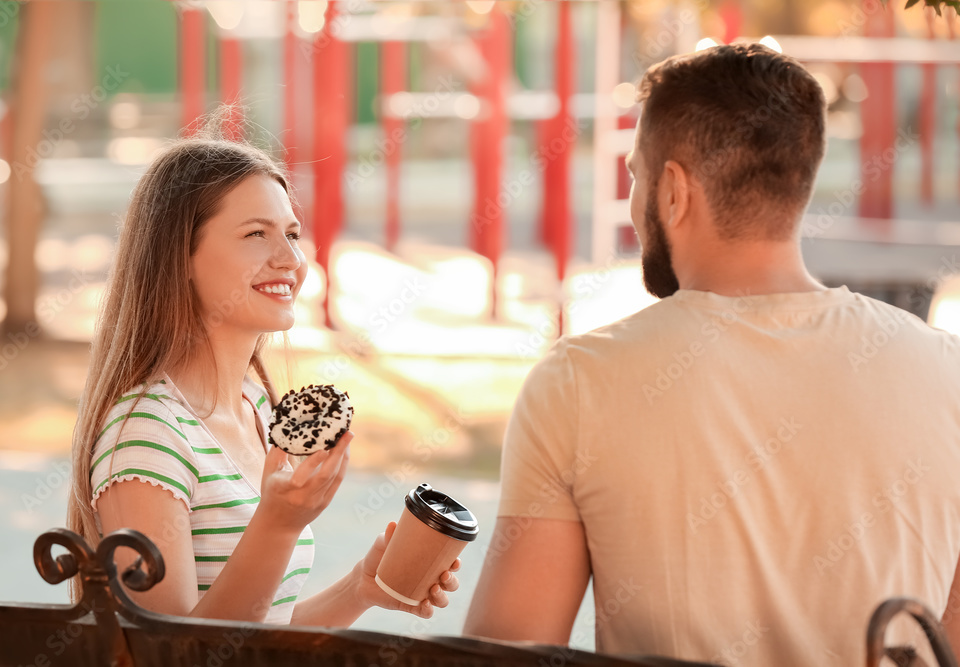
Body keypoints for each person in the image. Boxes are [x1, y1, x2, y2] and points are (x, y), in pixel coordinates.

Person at [463, 43, 960, 665]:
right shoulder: (946, 372)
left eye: (636, 174)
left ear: (673, 190)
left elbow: (506, 653)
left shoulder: (577, 385)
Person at [67, 126, 459, 625]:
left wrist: (359, 588)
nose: (291, 260)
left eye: (292, 234)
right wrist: (277, 526)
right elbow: (173, 655)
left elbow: (258, 635)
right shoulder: (147, 435)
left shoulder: (257, 407)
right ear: (179, 257)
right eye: (256, 234)